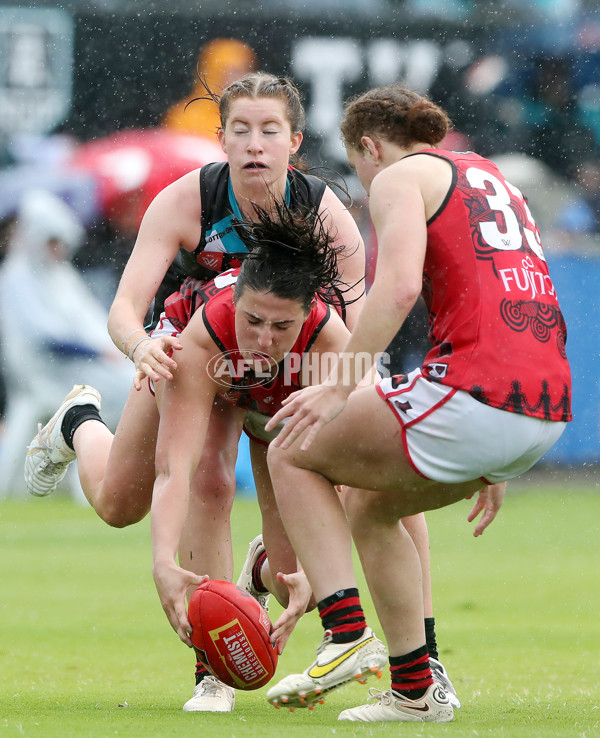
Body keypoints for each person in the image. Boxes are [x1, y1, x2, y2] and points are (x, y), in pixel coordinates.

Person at [262, 85, 572, 722]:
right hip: (540, 406)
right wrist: (495, 444)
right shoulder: (489, 174)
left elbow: (398, 287)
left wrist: (342, 383)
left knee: (290, 444)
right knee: (374, 508)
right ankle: (417, 688)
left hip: (477, 396)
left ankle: (345, 634)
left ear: (370, 147)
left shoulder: (400, 176)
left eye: (358, 164)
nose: (365, 180)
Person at [163, 39, 258, 138]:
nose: (239, 79)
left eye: (246, 70)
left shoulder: (258, 116)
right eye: (232, 72)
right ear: (212, 73)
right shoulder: (184, 116)